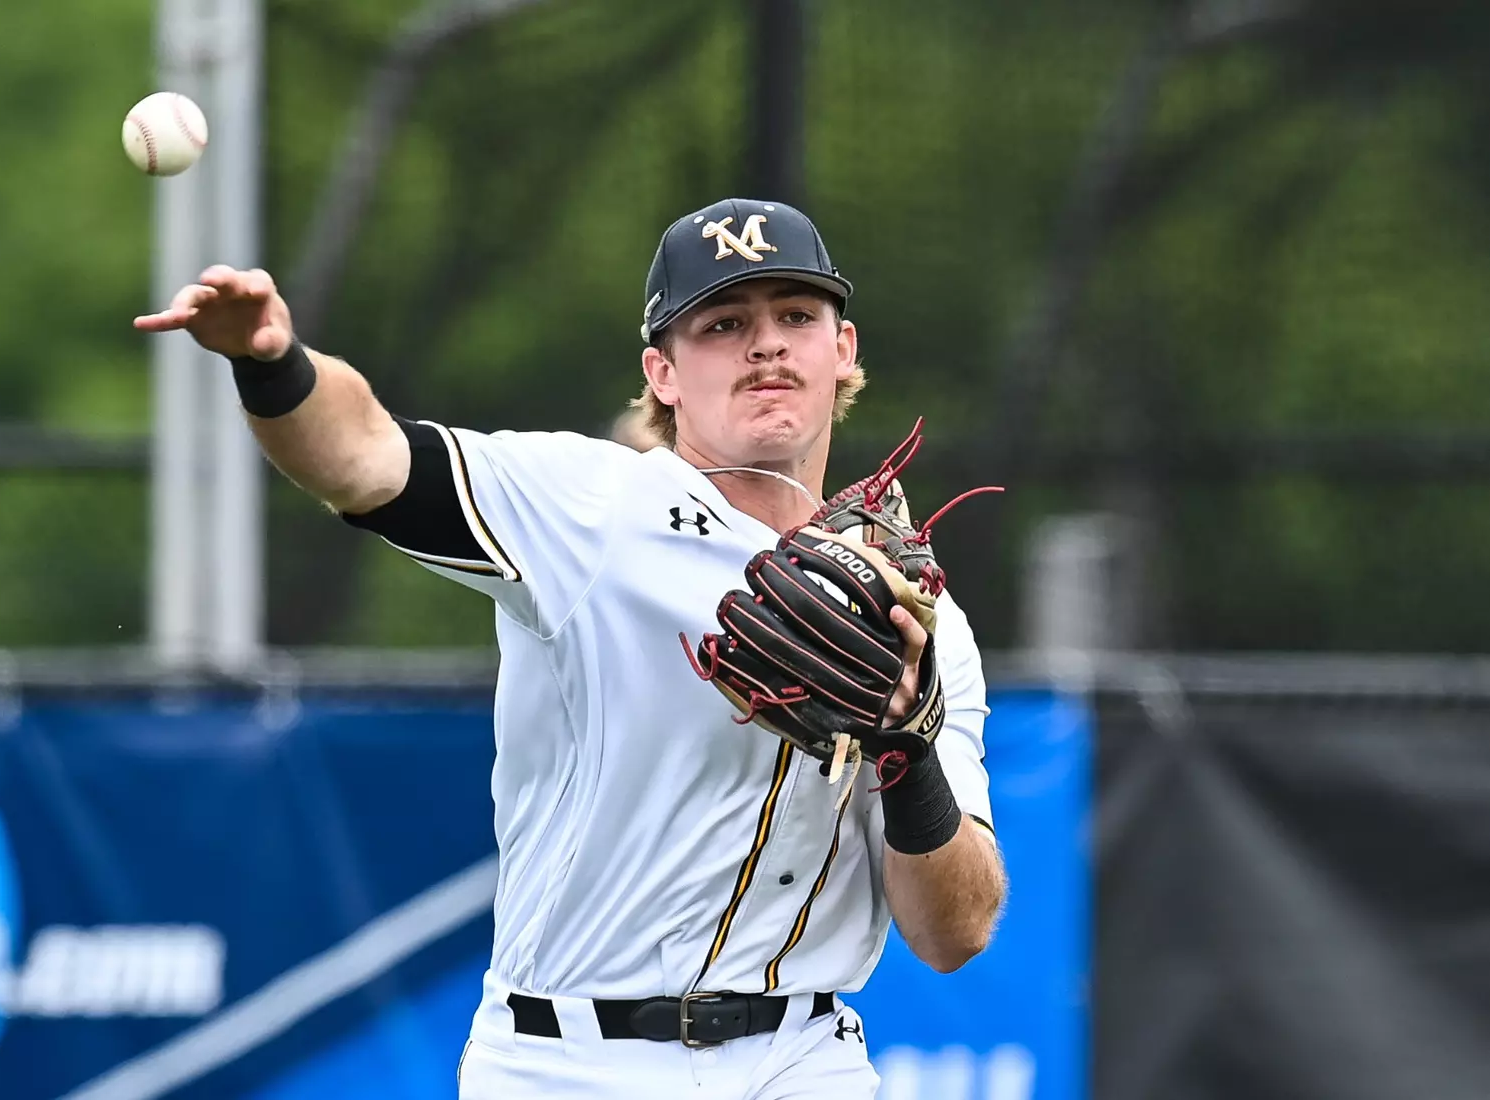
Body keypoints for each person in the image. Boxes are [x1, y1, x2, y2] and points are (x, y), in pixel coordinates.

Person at [135, 198, 1007, 1099]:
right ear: (661, 373)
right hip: (573, 1061)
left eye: (796, 316)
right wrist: (273, 362)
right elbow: (363, 459)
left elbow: (955, 932)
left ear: (843, 350)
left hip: (804, 1059)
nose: (766, 345)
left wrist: (906, 755)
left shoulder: (915, 618)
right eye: (724, 323)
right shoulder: (589, 510)